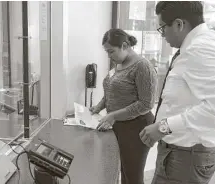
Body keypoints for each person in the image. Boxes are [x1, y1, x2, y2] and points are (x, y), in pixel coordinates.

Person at [139, 1, 215, 184]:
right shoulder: (194, 46)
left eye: (162, 29)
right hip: (179, 152)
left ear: (179, 24)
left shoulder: (200, 48)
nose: (162, 35)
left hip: (185, 156)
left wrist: (164, 126)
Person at [90, 28, 158, 184]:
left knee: (132, 174)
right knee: (123, 170)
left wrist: (113, 115)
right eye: (106, 52)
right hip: (119, 125)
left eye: (111, 52)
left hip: (137, 126)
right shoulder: (119, 65)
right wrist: (99, 107)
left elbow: (146, 103)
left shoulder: (142, 66)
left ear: (125, 45)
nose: (109, 56)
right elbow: (110, 91)